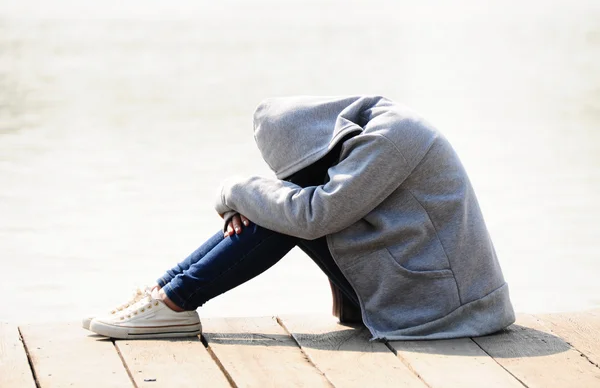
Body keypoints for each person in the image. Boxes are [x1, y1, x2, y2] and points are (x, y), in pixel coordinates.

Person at [86, 95, 515, 340]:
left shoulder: (391, 138)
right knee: (284, 207)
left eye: (296, 168)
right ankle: (163, 292)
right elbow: (306, 207)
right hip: (423, 288)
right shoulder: (361, 133)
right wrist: (267, 199)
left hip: (446, 308)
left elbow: (312, 216)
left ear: (315, 146)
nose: (292, 178)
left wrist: (236, 190)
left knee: (291, 212)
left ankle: (173, 303)